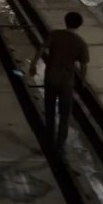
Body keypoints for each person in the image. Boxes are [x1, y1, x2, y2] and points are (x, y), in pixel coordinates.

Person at [31, 11, 89, 151]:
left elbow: (42, 48)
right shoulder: (81, 43)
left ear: (65, 21)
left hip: (51, 78)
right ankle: (60, 145)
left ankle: (48, 141)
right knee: (64, 114)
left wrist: (33, 64)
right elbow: (84, 65)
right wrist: (82, 80)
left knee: (50, 112)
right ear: (79, 25)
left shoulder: (55, 35)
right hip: (66, 83)